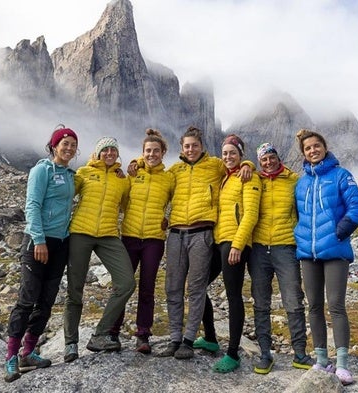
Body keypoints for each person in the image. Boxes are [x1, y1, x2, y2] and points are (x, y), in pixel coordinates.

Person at [158, 126, 252, 360]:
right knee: (173, 287)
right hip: (176, 234)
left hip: (202, 233)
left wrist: (249, 165)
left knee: (197, 288)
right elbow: (157, 180)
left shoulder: (215, 165)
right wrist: (137, 163)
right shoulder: (175, 170)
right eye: (187, 146)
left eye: (195, 146)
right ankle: (174, 339)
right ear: (181, 148)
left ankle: (188, 341)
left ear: (202, 147)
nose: (191, 149)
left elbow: (236, 164)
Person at [4, 125, 78, 383]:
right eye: (64, 144)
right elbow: (32, 205)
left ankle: (28, 351)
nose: (68, 148)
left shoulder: (71, 175)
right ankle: (11, 357)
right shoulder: (41, 170)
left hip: (61, 243)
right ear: (54, 146)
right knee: (27, 299)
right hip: (38, 242)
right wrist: (38, 239)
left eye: (72, 145)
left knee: (46, 301)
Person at [293, 129, 358, 386]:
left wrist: (339, 233)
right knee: (313, 306)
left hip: (334, 251)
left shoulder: (341, 176)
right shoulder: (301, 183)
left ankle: (343, 365)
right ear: (303, 153)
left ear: (324, 147)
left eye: (316, 146)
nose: (313, 151)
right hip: (308, 253)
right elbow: (296, 215)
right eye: (308, 148)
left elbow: (357, 208)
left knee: (335, 305)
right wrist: (299, 237)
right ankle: (322, 360)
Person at [63, 136, 136, 362]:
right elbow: (64, 196)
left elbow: (129, 205)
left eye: (113, 150)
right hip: (80, 233)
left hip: (108, 236)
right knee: (75, 289)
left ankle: (101, 334)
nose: (109, 153)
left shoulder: (121, 179)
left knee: (126, 283)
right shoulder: (83, 173)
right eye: (105, 150)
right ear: (97, 153)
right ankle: (70, 343)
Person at [247, 142, 313, 375]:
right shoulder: (255, 179)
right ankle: (265, 354)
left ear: (278, 157)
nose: (268, 162)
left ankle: (300, 353)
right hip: (258, 248)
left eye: (271, 157)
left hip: (286, 246)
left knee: (293, 299)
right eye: (263, 159)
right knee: (261, 301)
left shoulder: (293, 180)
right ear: (258, 161)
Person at [109, 129, 175, 354]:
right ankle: (112, 332)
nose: (152, 154)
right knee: (122, 285)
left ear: (163, 153)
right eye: (148, 151)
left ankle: (143, 334)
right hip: (129, 237)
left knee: (147, 288)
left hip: (154, 240)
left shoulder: (169, 178)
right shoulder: (132, 175)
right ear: (142, 153)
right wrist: (132, 165)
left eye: (156, 151)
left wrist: (169, 219)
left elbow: (180, 201)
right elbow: (121, 201)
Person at [207, 134, 261, 373]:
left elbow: (250, 214)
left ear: (241, 155)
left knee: (233, 296)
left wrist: (238, 244)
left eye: (233, 153)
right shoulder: (225, 177)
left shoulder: (248, 178)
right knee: (197, 286)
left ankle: (232, 354)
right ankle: (210, 338)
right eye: (225, 153)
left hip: (234, 242)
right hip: (218, 241)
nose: (228, 157)